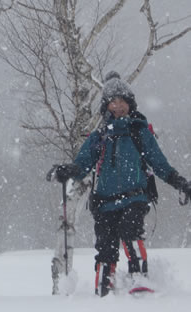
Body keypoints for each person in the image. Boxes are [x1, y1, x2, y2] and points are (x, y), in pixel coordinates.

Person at [52, 71, 191, 297]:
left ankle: (139, 279)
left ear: (130, 103)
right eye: (112, 102)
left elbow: (160, 164)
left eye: (122, 101)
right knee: (105, 247)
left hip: (134, 197)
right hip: (105, 203)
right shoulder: (99, 137)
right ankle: (103, 289)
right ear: (106, 107)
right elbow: (83, 163)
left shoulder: (139, 132)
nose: (118, 106)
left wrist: (181, 183)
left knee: (130, 230)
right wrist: (69, 171)